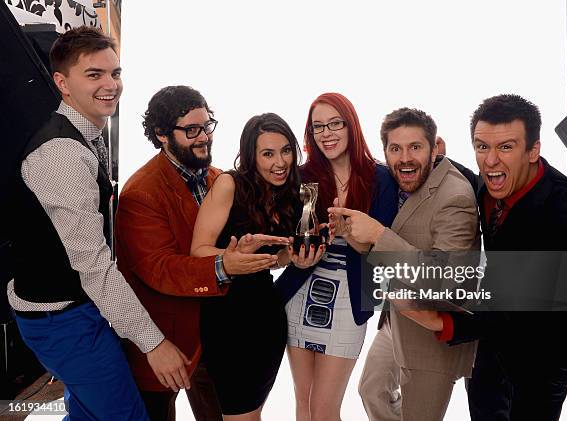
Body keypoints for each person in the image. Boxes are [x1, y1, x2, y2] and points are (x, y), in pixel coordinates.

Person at [6, 26, 189, 420]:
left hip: (70, 309)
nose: (111, 84)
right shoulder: (62, 156)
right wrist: (154, 344)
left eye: (115, 73)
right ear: (62, 82)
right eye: (94, 75)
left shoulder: (88, 133)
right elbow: (94, 268)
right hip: (61, 320)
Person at [402, 94, 567, 421]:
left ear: (533, 150)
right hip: (495, 333)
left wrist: (443, 321)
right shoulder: (487, 188)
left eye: (506, 147)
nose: (491, 160)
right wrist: (437, 159)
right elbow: (468, 180)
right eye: (482, 147)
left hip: (548, 343)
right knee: (483, 407)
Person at [114, 86, 283, 421]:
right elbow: (160, 268)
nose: (204, 136)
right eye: (192, 130)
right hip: (166, 342)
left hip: (216, 341)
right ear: (162, 134)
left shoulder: (219, 179)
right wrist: (225, 265)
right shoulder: (140, 194)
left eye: (207, 126)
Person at [329, 107, 479, 421]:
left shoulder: (456, 196)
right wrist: (353, 235)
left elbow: (449, 279)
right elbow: (385, 254)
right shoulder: (400, 182)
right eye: (395, 148)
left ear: (435, 147)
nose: (405, 157)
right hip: (398, 315)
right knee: (373, 389)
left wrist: (379, 234)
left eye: (415, 147)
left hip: (433, 331)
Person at [190, 113, 324, 420]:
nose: (280, 162)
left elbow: (273, 261)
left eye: (286, 150)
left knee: (252, 414)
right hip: (228, 321)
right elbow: (197, 252)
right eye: (268, 153)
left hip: (267, 318)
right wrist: (232, 258)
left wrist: (295, 257)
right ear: (251, 155)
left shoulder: (290, 192)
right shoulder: (229, 184)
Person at [274, 92, 397, 421]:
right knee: (304, 405)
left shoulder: (380, 178)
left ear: (351, 125)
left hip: (350, 298)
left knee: (325, 409)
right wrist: (297, 249)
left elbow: (382, 250)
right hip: (299, 292)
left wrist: (348, 233)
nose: (326, 133)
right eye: (317, 127)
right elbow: (289, 240)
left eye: (334, 124)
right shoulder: (302, 176)